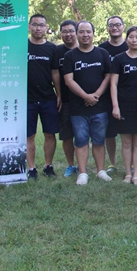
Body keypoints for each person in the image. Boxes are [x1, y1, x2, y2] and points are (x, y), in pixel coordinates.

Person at [63, 21, 112, 185]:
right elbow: (69, 80)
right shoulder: (70, 56)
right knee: (81, 140)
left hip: (100, 106)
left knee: (99, 140)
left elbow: (108, 76)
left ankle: (100, 171)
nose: (85, 35)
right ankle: (82, 173)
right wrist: (85, 96)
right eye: (82, 32)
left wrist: (96, 95)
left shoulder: (102, 53)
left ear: (93, 33)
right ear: (77, 34)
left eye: (88, 32)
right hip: (78, 108)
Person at [111, 26, 137, 186]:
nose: (134, 40)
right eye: (131, 37)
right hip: (123, 104)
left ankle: (136, 175)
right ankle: (127, 173)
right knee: (126, 142)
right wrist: (115, 106)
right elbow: (113, 84)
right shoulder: (119, 59)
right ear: (126, 39)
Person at [26, 14, 61, 180]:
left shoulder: (52, 48)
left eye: (41, 25)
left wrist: (59, 95)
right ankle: (31, 168)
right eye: (35, 24)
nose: (38, 28)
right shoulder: (22, 46)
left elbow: (55, 73)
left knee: (50, 134)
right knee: (29, 135)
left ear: (46, 28)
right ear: (29, 27)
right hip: (27, 99)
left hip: (48, 98)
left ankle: (48, 166)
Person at [99, 15, 128, 174]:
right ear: (107, 28)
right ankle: (112, 163)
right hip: (106, 97)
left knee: (128, 132)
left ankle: (130, 163)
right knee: (109, 133)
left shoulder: (130, 45)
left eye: (118, 24)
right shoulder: (102, 49)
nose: (115, 27)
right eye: (111, 25)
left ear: (123, 27)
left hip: (128, 96)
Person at [56, 19, 78, 177]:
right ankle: (71, 165)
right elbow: (55, 74)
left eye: (71, 31)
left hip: (85, 100)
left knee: (84, 135)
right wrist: (58, 95)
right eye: (64, 31)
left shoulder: (86, 49)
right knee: (67, 135)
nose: (68, 34)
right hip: (65, 100)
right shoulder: (57, 52)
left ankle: (85, 165)